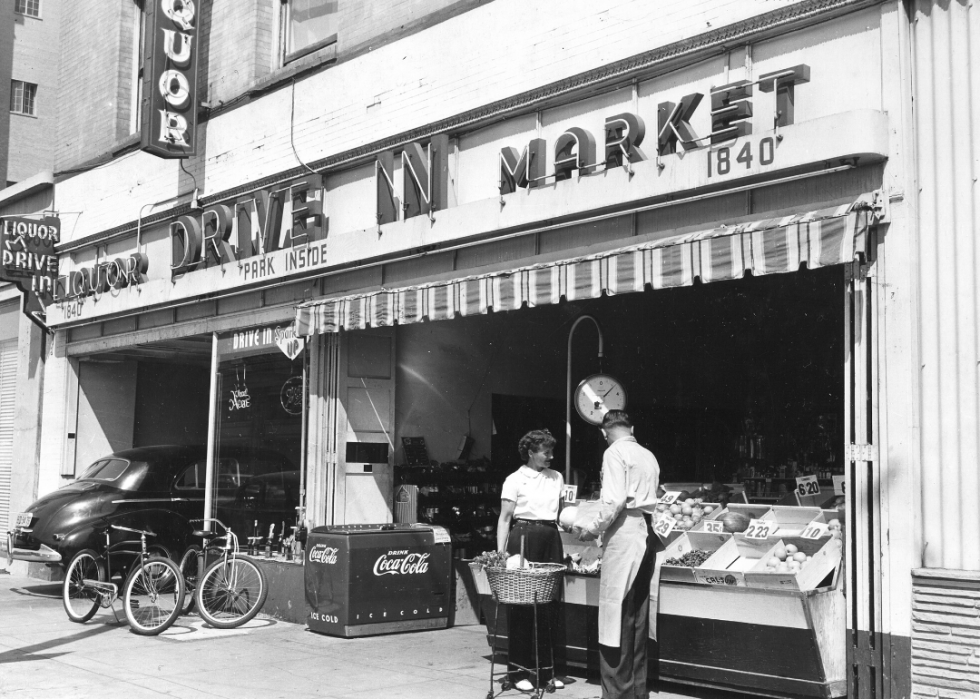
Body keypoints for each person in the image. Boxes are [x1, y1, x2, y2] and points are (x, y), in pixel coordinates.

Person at [572, 410, 660, 699]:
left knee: (615, 614)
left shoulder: (614, 453)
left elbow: (612, 501)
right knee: (637, 617)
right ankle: (636, 692)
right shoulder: (648, 454)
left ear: (603, 432)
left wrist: (590, 528)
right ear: (631, 427)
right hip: (646, 533)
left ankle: (616, 694)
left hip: (624, 533)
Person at [497, 429, 565, 692]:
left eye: (551, 451)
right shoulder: (514, 479)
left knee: (550, 605)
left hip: (551, 537)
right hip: (523, 536)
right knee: (522, 606)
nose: (550, 456)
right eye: (545, 452)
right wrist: (502, 554)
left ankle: (547, 672)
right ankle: (517, 673)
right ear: (530, 452)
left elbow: (561, 513)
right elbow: (504, 519)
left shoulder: (557, 477)